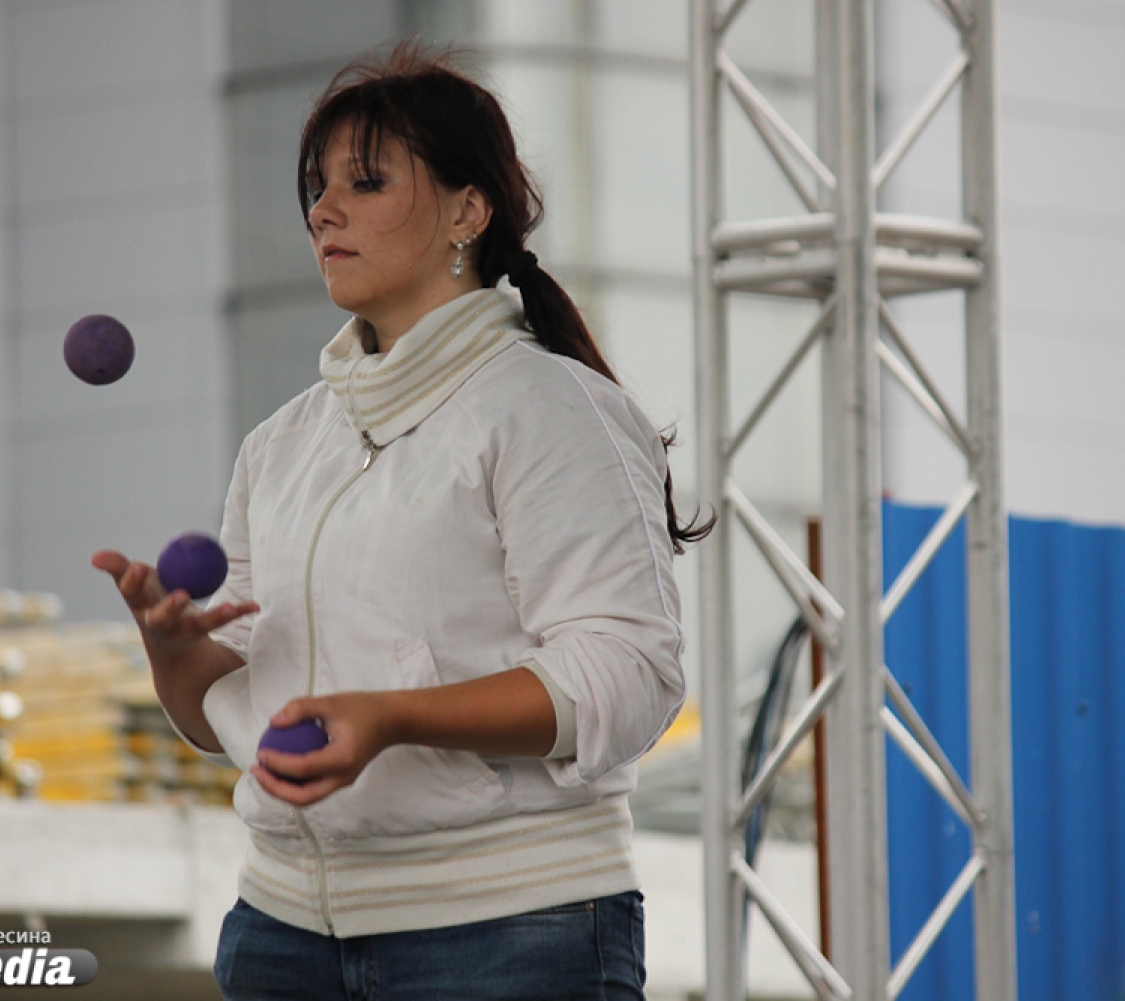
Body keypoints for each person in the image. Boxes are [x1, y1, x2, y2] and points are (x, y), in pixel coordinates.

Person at [93, 41, 710, 1001]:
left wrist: (393, 717)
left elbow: (632, 673)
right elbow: (231, 719)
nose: (322, 210)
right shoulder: (280, 445)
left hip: (511, 937)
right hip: (278, 934)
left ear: (469, 211)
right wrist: (175, 652)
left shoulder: (552, 410)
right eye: (317, 188)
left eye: (366, 181)